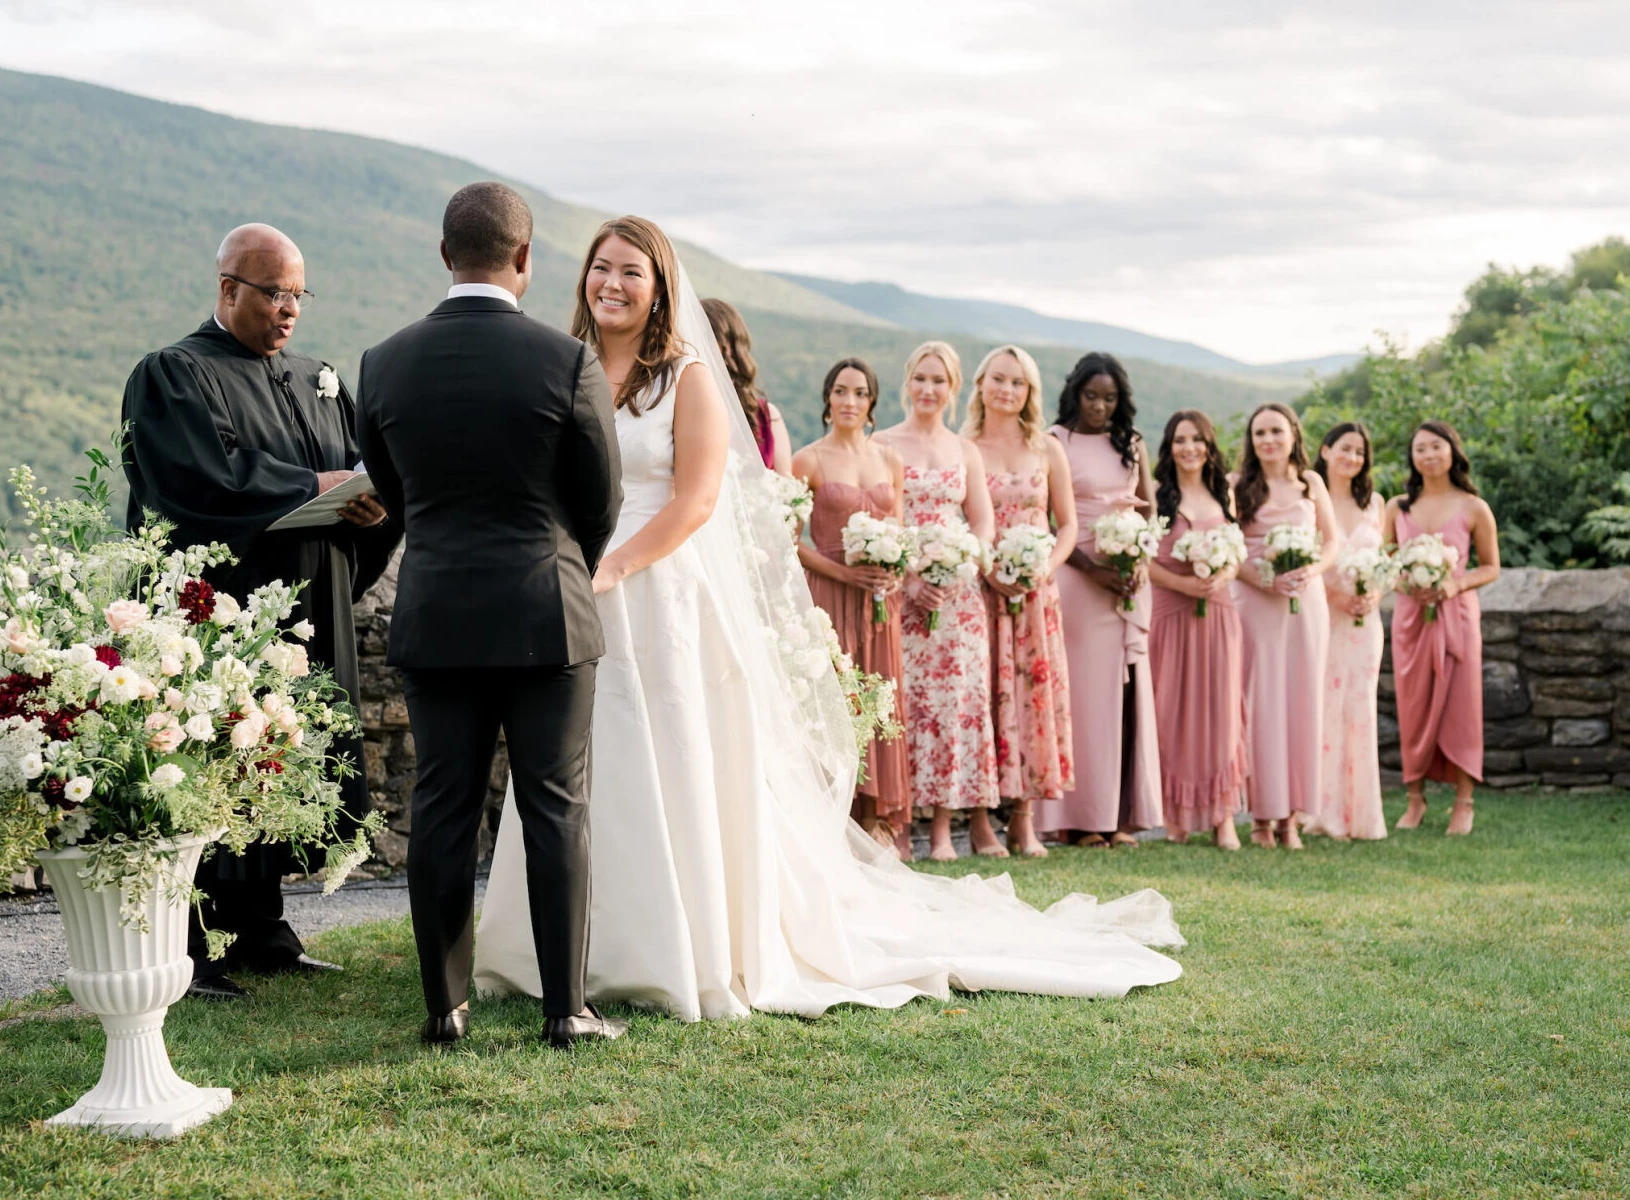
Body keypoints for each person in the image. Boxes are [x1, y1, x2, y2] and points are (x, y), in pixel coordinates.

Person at [474, 218, 1184, 1022]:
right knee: (572, 761)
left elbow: (699, 499)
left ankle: (681, 946)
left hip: (657, 584)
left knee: (664, 754)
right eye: (600, 268)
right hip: (577, 584)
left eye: (630, 271)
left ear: (660, 284)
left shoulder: (685, 378)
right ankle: (563, 948)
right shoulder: (565, 366)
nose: (611, 283)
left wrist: (619, 565)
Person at [355, 182, 626, 1047]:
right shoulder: (566, 361)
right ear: (525, 258)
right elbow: (601, 501)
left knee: (440, 805)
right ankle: (566, 1010)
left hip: (434, 610)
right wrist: (557, 562)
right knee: (555, 805)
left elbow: (394, 497)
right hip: (547, 609)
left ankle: (445, 1008)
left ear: (444, 256)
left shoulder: (382, 362)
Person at [121, 223, 401, 1001]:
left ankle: (262, 930)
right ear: (227, 288)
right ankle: (193, 945)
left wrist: (369, 506)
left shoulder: (317, 377)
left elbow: (354, 468)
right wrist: (308, 489)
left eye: (297, 295)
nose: (288, 310)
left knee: (287, 762)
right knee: (214, 765)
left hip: (310, 607)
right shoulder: (175, 374)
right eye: (273, 292)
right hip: (228, 614)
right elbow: (200, 480)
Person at [875, 341, 1004, 859]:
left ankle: (945, 828)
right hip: (903, 594)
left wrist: (964, 562)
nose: (929, 389)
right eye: (921, 378)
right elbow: (881, 518)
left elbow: (984, 519)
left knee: (955, 708)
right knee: (905, 707)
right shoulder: (882, 444)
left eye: (940, 381)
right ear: (908, 381)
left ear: (953, 390)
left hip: (959, 600)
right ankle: (901, 826)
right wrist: (907, 578)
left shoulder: (964, 450)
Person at [1039, 353, 1164, 848]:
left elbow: (1151, 507)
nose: (1099, 406)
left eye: (1109, 399)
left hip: (1128, 577)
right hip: (1077, 576)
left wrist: (1136, 557)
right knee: (1083, 697)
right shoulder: (1055, 440)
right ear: (1075, 393)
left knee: (1125, 694)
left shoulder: (1130, 443)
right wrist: (1093, 570)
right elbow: (1049, 518)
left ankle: (1117, 817)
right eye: (1091, 396)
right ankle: (1080, 819)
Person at [793, 358, 913, 857]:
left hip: (880, 601)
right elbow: (788, 539)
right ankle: (834, 816)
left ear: (871, 403)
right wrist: (843, 573)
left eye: (859, 393)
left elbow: (901, 531)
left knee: (879, 700)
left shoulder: (890, 462)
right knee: (837, 702)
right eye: (840, 391)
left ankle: (876, 817)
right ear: (827, 400)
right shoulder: (808, 461)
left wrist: (894, 568)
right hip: (830, 593)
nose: (849, 401)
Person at [962, 345, 1076, 859]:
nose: (1007, 391)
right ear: (981, 383)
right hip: (981, 587)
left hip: (1035, 594)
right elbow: (960, 519)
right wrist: (988, 568)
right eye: (998, 380)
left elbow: (1068, 524)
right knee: (985, 695)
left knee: (1031, 698)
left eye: (1019, 383)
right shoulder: (964, 446)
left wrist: (1041, 569)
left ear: (1030, 392)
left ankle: (1024, 820)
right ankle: (982, 820)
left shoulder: (1046, 448)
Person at [1383, 421, 1499, 836]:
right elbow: (1386, 563)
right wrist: (1407, 584)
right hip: (1412, 619)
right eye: (1420, 449)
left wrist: (1454, 583)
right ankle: (1415, 800)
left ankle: (1463, 802)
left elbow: (1491, 566)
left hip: (1457, 618)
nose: (1428, 455)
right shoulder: (1397, 507)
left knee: (1462, 708)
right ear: (1411, 457)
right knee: (1412, 707)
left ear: (1452, 450)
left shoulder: (1474, 507)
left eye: (1436, 446)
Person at [1231, 403, 1339, 849]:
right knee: (1261, 705)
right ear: (1251, 441)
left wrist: (1312, 569)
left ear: (1293, 434)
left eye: (1276, 430)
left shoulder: (1311, 483)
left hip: (1305, 603)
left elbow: (1332, 541)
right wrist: (1262, 578)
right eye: (1260, 433)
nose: (1268, 440)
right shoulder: (1237, 485)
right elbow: (1229, 546)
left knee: (1301, 704)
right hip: (1256, 602)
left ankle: (1291, 817)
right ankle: (1261, 815)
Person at [1147, 410, 1246, 850]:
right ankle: (1177, 815)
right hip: (1171, 612)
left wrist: (1224, 573)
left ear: (1209, 445)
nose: (1189, 448)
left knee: (1221, 712)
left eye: (1197, 440)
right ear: (1169, 447)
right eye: (1180, 440)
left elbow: (1238, 549)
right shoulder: (1155, 495)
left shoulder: (1225, 491)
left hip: (1219, 612)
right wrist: (1184, 582)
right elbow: (1143, 559)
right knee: (1171, 713)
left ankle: (1223, 815)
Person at [1311, 422, 1389, 840]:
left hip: (1365, 625)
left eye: (1360, 452)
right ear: (1324, 451)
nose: (1352, 458)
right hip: (1323, 618)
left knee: (1359, 711)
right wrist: (1333, 597)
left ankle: (1361, 815)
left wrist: (1375, 593)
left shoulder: (1375, 503)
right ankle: (1319, 811)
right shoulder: (1309, 499)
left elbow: (1385, 563)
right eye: (1344, 449)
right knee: (1322, 709)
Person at [702, 298, 791, 474]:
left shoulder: (768, 417)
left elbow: (787, 492)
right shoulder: (678, 410)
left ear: (730, 347)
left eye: (707, 337)